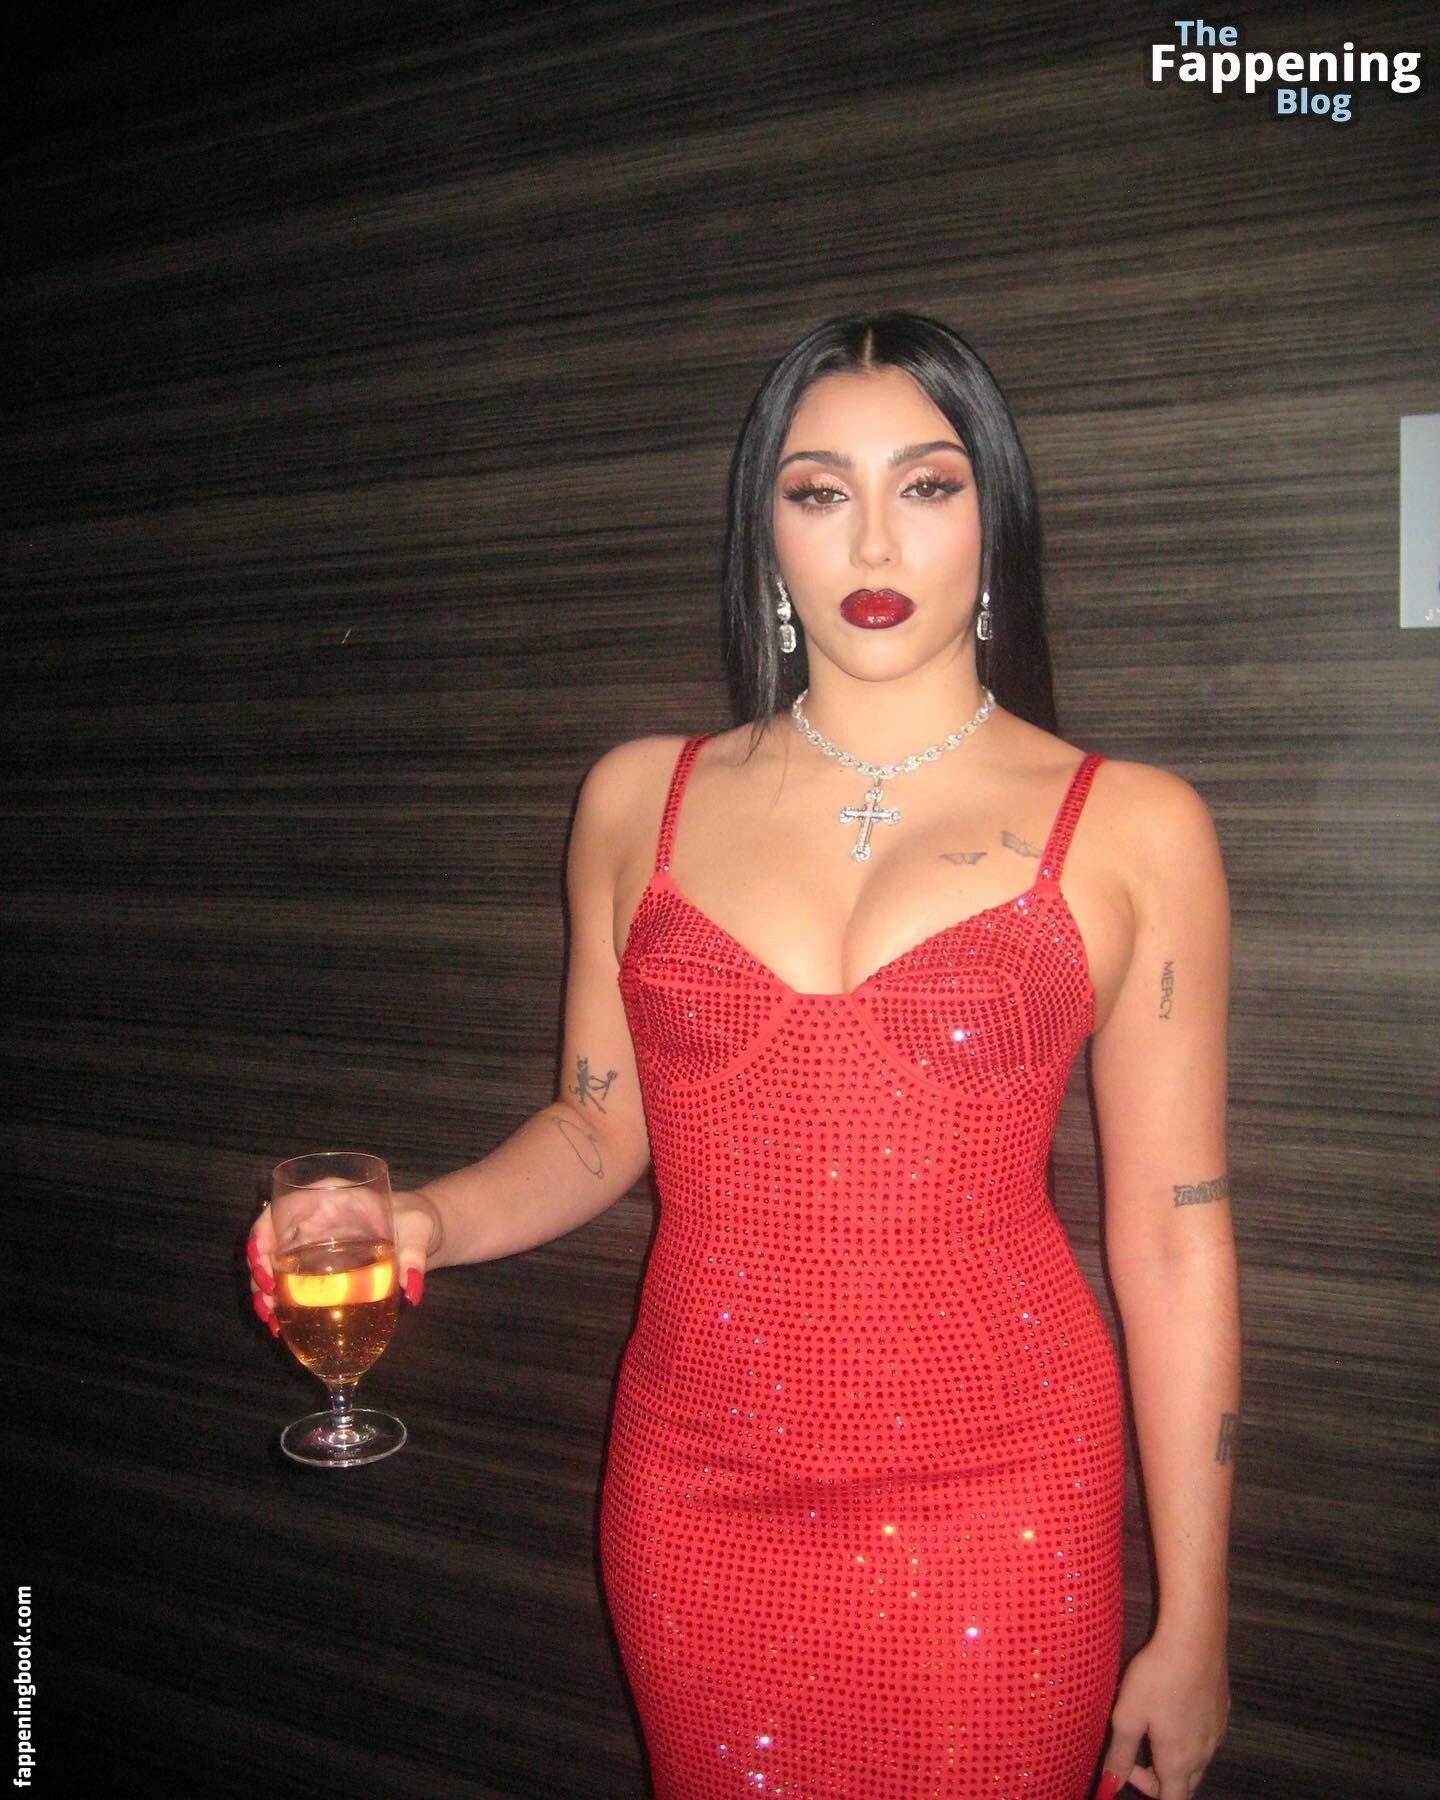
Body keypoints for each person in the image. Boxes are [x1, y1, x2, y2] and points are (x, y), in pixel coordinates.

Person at [248, 312, 1239, 1799]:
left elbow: (1173, 1240)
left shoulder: (1137, 826)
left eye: (928, 485)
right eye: (818, 491)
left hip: (1003, 1495)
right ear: (765, 533)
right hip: (697, 1492)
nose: (873, 542)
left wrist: (1197, 1613)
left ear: (998, 520)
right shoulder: (638, 798)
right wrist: (422, 1220)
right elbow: (597, 1129)